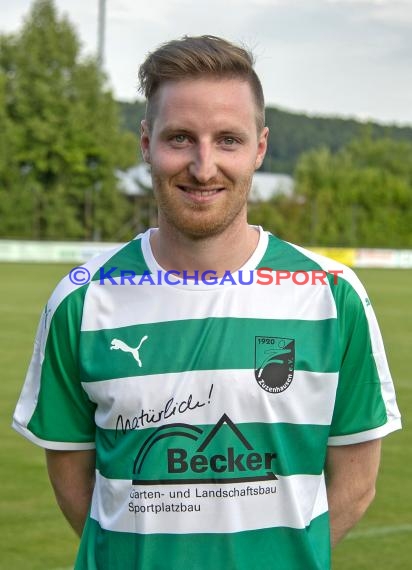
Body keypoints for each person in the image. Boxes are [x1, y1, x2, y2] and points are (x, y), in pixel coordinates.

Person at [13, 35, 401, 570]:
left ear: (259, 148)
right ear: (146, 143)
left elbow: (356, 487)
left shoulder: (331, 296)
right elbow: (73, 483)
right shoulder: (82, 301)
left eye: (227, 140)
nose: (203, 166)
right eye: (180, 138)